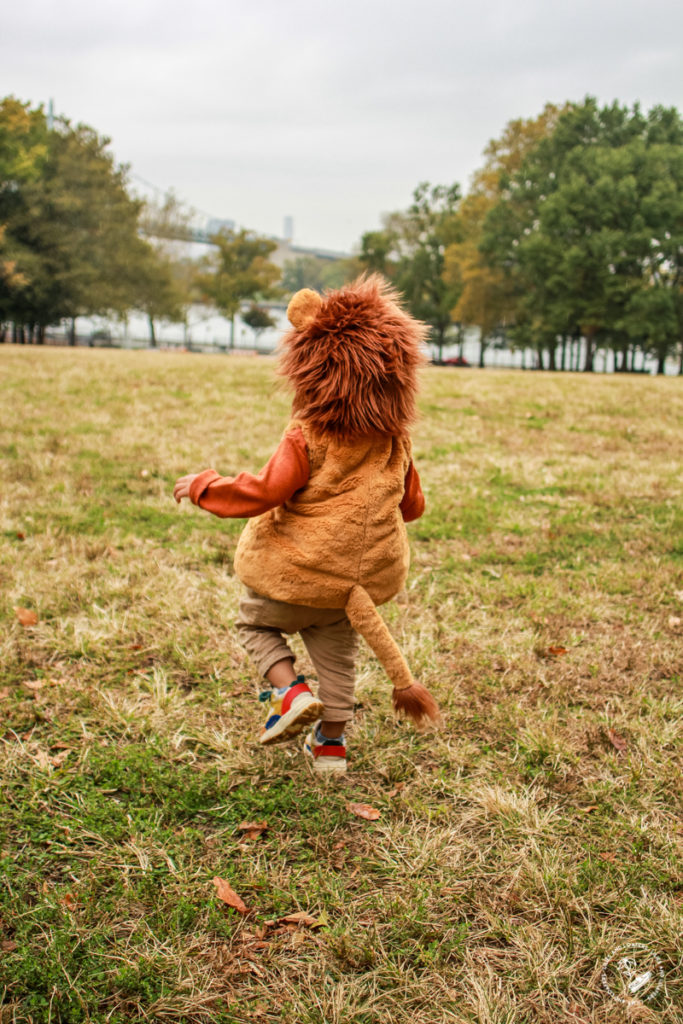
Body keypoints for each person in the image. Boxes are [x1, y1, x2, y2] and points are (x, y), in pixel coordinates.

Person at [174, 275, 440, 774]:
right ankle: (331, 749)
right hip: (349, 589)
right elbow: (411, 507)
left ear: (312, 370)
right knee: (338, 660)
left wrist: (205, 486)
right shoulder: (394, 442)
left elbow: (266, 490)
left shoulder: (307, 433)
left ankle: (289, 690)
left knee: (254, 622)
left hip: (295, 576)